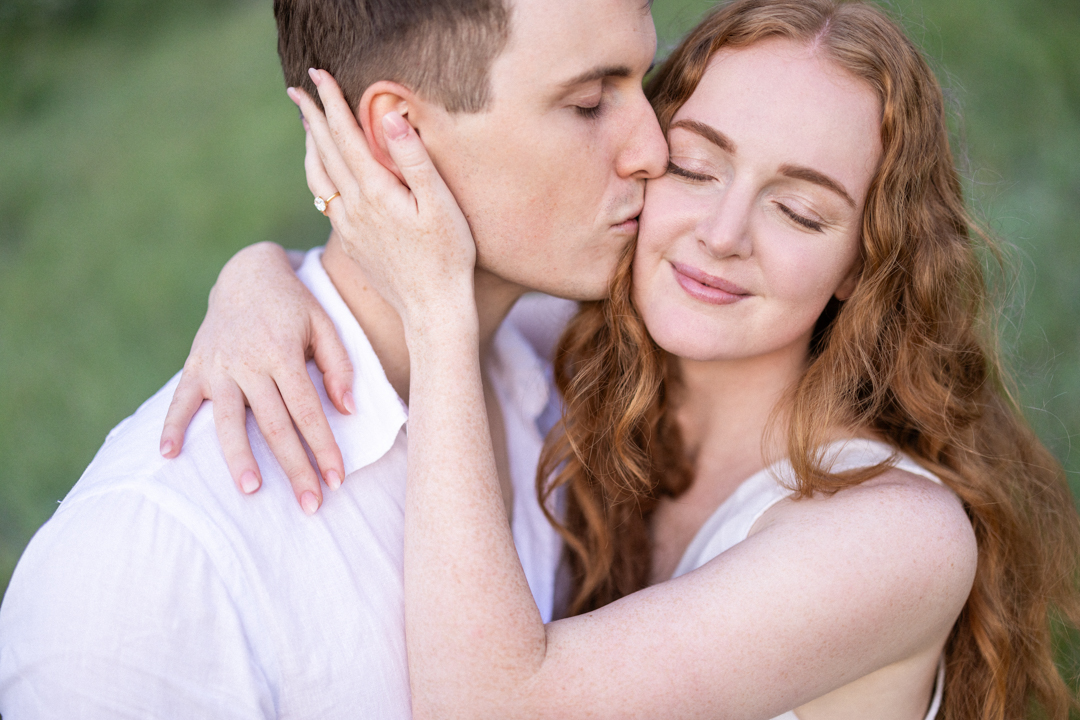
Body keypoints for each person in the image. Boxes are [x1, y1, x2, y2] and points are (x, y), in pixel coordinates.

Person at [170, 0, 1080, 717]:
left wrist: (435, 303)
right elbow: (371, 305)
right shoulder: (570, 359)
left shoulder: (895, 536)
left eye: (801, 212)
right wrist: (254, 278)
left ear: (862, 263)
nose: (723, 236)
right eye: (695, 166)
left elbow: (491, 710)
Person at [0, 0, 666, 716]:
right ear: (397, 134)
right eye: (591, 103)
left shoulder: (546, 368)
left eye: (642, 84)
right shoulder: (153, 568)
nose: (653, 150)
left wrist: (258, 266)